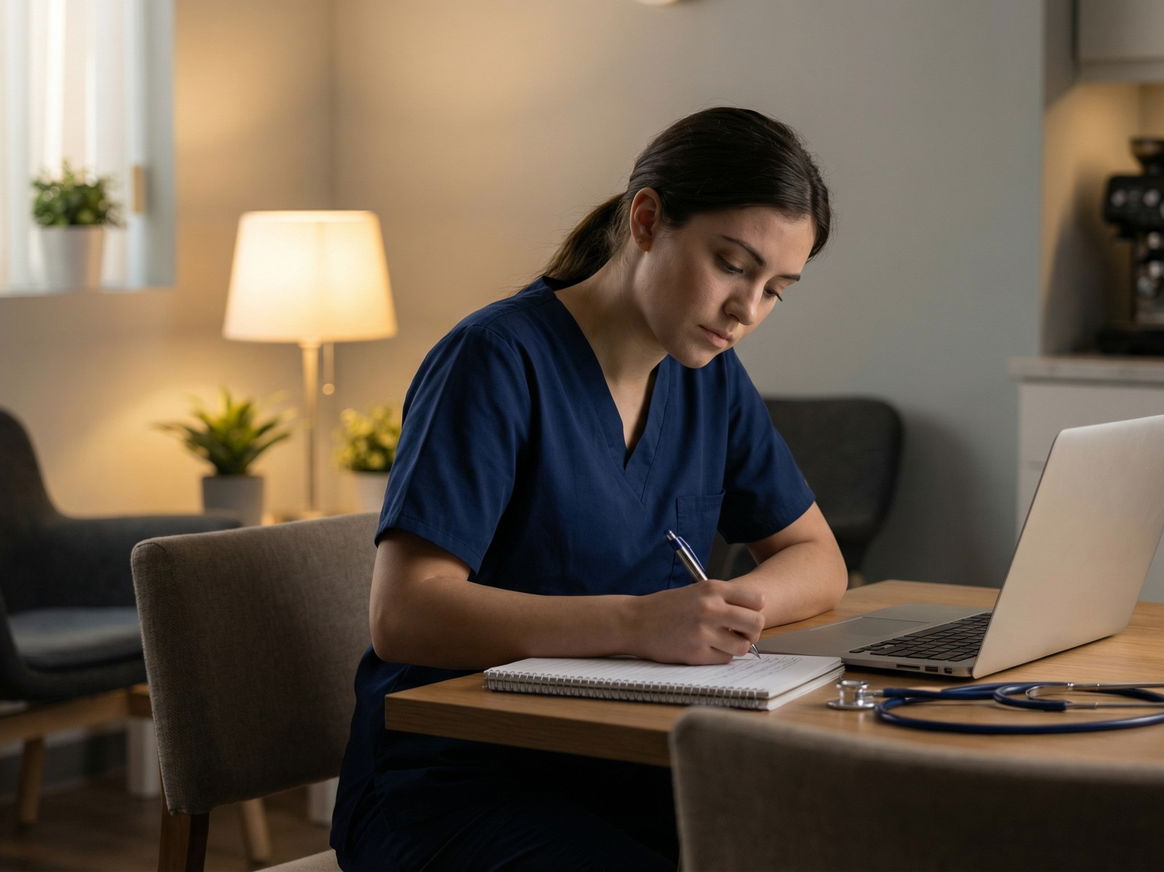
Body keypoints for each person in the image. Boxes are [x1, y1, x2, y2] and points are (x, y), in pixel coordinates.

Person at [331, 106, 846, 871]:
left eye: (777, 289)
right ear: (647, 220)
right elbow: (404, 615)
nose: (747, 309)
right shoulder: (494, 360)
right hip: (453, 782)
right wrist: (640, 623)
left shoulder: (709, 377)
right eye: (733, 265)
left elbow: (818, 559)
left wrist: (717, 616)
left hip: (623, 762)